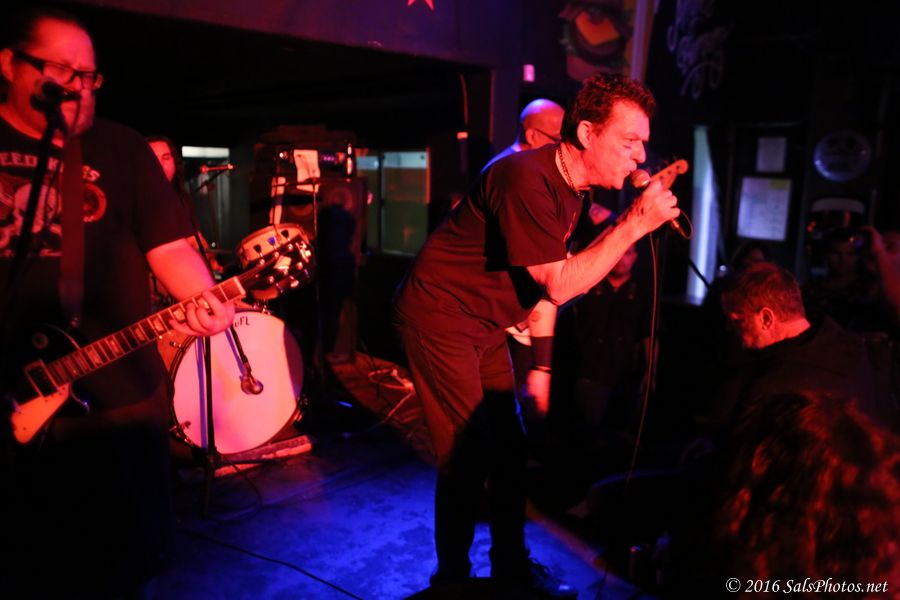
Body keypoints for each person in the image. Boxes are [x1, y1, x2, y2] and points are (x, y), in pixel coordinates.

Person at [393, 73, 679, 597]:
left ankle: (511, 569)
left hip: (484, 325)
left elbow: (555, 282)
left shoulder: (576, 190)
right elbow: (561, 284)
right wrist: (635, 224)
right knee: (466, 453)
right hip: (440, 316)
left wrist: (540, 362)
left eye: (643, 143)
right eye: (629, 141)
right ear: (588, 133)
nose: (640, 156)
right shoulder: (524, 177)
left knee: (510, 449)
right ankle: (452, 580)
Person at [0, 7, 235, 598]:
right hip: (11, 391)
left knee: (127, 567)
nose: (79, 86)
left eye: (89, 75)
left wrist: (204, 297)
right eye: (62, 70)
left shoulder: (121, 148)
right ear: (10, 64)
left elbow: (172, 246)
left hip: (118, 401)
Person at [717, 262, 889, 428]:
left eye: (737, 321)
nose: (729, 328)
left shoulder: (770, 390)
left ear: (766, 318)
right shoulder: (856, 350)